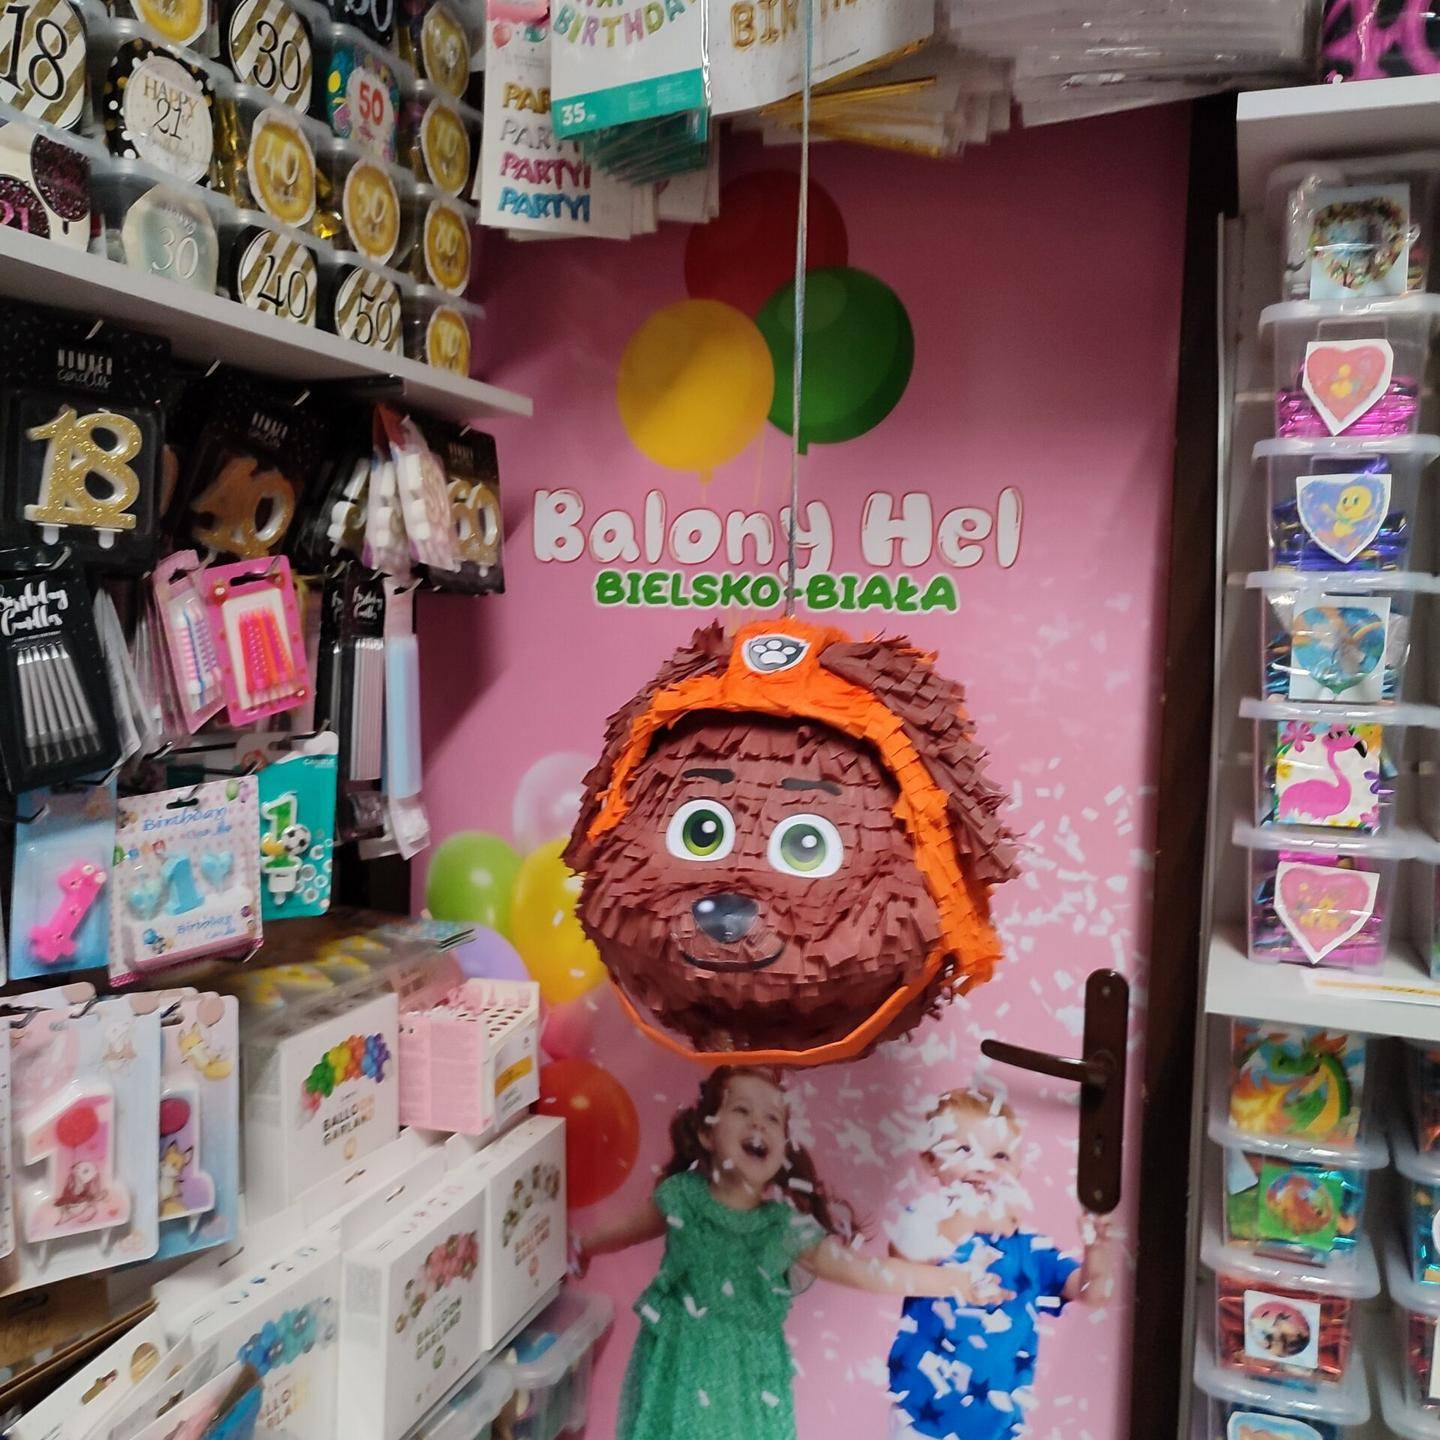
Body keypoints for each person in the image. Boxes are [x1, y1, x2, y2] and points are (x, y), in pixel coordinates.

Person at [574, 1066, 1005, 1440]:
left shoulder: (783, 1228)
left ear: (783, 1147)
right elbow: (627, 1231)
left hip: (747, 1378)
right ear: (707, 1132)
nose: (758, 1124)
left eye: (773, 1118)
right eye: (742, 1110)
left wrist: (955, 1281)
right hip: (679, 1361)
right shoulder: (681, 1197)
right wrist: (583, 1246)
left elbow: (866, 1271)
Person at [886, 1088, 1122, 1440]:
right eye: (964, 1150)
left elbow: (1094, 1293)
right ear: (930, 1161)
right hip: (919, 1419)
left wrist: (1097, 1249)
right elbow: (903, 1256)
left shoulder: (1029, 1249)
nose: (983, 1166)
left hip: (999, 1427)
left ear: (1018, 1170)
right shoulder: (925, 1223)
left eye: (999, 1156)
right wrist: (972, 1219)